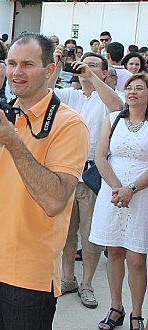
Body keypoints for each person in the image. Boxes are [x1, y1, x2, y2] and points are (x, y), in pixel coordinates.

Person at [0, 33, 90, 329]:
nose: (16, 72)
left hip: (30, 277)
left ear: (50, 69)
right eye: (12, 63)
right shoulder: (2, 116)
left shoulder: (69, 124)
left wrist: (13, 142)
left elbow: (55, 202)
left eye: (28, 64)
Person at [48, 49, 124, 310]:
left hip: (94, 175)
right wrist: (56, 65)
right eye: (83, 65)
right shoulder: (71, 95)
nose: (84, 68)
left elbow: (118, 108)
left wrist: (92, 75)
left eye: (93, 65)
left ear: (105, 72)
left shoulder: (109, 97)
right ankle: (67, 278)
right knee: (66, 232)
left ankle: (87, 283)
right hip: (68, 171)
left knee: (91, 234)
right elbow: (45, 94)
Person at [90, 73, 148, 330]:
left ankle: (137, 313)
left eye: (139, 88)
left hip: (142, 194)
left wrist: (132, 189)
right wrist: (117, 188)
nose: (132, 92)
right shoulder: (113, 119)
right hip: (112, 193)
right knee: (114, 252)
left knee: (136, 258)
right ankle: (116, 308)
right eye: (129, 88)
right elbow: (101, 155)